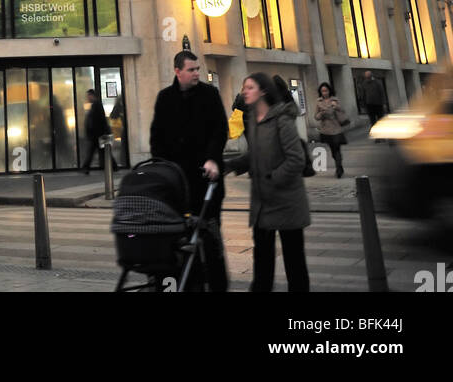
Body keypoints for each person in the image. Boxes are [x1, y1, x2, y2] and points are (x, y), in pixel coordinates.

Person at [149, 51, 229, 291]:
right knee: (181, 240)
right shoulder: (165, 98)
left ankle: (217, 286)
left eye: (197, 69)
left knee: (210, 238)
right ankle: (191, 283)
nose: (196, 73)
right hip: (177, 185)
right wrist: (163, 171)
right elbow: (156, 139)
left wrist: (213, 159)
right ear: (178, 71)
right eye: (191, 69)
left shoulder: (210, 94)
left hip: (207, 181)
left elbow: (219, 130)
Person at [227, 72, 311, 292]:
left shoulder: (282, 120)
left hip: (286, 202)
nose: (244, 91)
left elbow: (296, 159)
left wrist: (272, 179)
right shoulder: (255, 121)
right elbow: (255, 154)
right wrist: (229, 165)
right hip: (263, 204)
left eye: (249, 87)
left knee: (294, 262)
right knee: (262, 262)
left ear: (263, 91)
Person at [314, 82, 349, 178]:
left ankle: (339, 168)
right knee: (333, 150)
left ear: (329, 91)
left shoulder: (335, 100)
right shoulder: (319, 102)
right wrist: (321, 114)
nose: (324, 93)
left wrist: (336, 107)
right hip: (325, 129)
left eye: (326, 90)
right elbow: (316, 117)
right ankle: (339, 165)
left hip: (336, 128)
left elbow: (342, 111)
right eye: (322, 91)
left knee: (337, 148)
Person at [81, 89, 110, 174]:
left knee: (94, 151)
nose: (87, 98)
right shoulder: (96, 104)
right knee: (103, 151)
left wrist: (93, 131)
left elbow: (98, 120)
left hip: (98, 134)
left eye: (88, 96)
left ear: (92, 95)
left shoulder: (96, 105)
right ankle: (113, 166)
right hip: (98, 133)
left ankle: (85, 168)